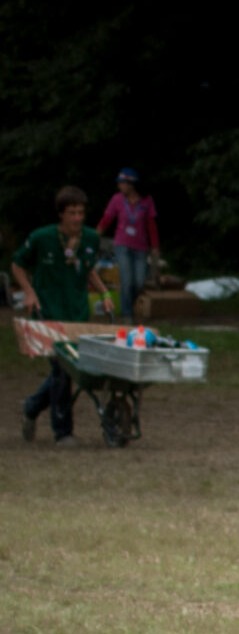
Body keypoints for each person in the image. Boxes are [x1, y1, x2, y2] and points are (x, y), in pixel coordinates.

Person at [15, 186, 109, 443]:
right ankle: (63, 432)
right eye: (72, 213)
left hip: (77, 313)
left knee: (69, 369)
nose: (77, 218)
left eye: (80, 212)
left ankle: (32, 407)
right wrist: (29, 292)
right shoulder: (41, 237)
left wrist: (104, 294)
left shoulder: (90, 238)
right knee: (61, 369)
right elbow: (17, 264)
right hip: (48, 312)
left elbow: (89, 269)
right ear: (61, 214)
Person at [97, 170, 159, 321]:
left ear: (132, 184)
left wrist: (155, 247)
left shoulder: (146, 201)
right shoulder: (117, 199)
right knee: (126, 279)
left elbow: (151, 226)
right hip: (122, 244)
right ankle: (127, 315)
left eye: (122, 182)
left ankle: (137, 308)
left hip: (141, 247)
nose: (119, 185)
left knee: (139, 281)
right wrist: (93, 236)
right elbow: (106, 220)